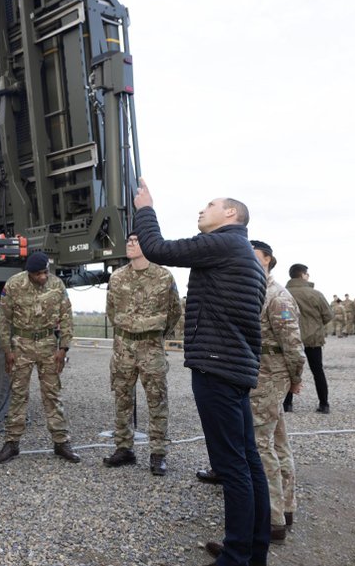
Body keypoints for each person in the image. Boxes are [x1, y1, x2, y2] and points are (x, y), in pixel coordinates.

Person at [131, 178, 269, 566]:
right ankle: (252, 550)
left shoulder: (225, 242)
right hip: (234, 367)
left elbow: (158, 249)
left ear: (231, 214)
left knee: (232, 466)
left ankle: (237, 556)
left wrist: (145, 209)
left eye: (210, 204)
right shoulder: (242, 252)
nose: (201, 209)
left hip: (218, 367)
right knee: (247, 460)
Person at [102, 232, 182, 476]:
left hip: (151, 348)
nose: (130, 244)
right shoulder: (117, 277)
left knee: (157, 401)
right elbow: (111, 309)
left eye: (135, 241)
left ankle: (158, 453)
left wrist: (154, 333)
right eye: (128, 240)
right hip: (123, 348)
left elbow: (174, 311)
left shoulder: (163, 276)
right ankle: (124, 448)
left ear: (147, 245)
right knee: (122, 400)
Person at [0, 251, 80, 464]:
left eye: (45, 272)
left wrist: (64, 348)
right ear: (28, 273)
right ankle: (12, 443)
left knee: (52, 395)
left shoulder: (56, 285)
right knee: (18, 395)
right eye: (38, 274)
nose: (43, 277)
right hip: (21, 346)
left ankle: (61, 442)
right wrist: (7, 350)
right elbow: (4, 320)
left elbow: (67, 317)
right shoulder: (14, 285)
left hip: (49, 346)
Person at [249, 241, 305, 544]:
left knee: (260, 444)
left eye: (253, 255)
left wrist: (296, 379)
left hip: (270, 375)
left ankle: (272, 521)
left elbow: (294, 346)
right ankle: (286, 507)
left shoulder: (277, 296)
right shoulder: (255, 289)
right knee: (278, 439)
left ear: (268, 259)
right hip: (260, 373)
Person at [284, 264, 333, 414]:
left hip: (291, 338)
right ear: (303, 275)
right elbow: (328, 315)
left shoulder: (284, 293)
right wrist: (315, 325)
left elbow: (282, 315)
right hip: (313, 339)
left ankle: (287, 404)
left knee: (289, 370)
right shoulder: (315, 294)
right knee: (317, 371)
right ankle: (324, 404)